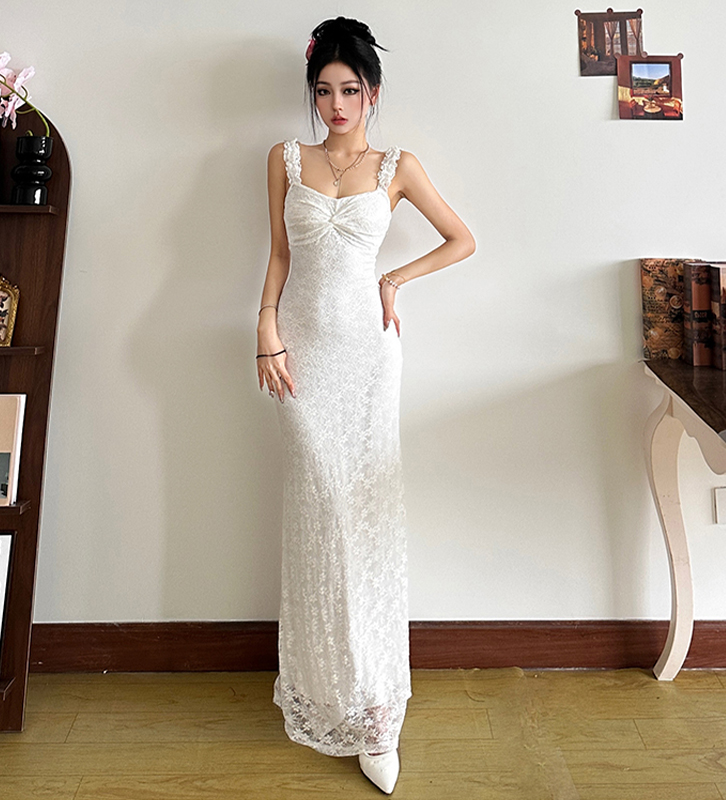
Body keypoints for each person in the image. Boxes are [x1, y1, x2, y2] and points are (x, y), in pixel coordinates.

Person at [256, 16, 475, 794]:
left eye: (350, 90)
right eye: (324, 91)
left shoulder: (397, 166)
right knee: (321, 515)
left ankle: (377, 710)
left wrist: (393, 279)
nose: (336, 104)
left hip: (370, 360)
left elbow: (461, 239)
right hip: (302, 358)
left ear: (372, 93)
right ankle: (326, 693)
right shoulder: (285, 159)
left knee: (367, 522)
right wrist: (265, 328)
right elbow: (279, 255)